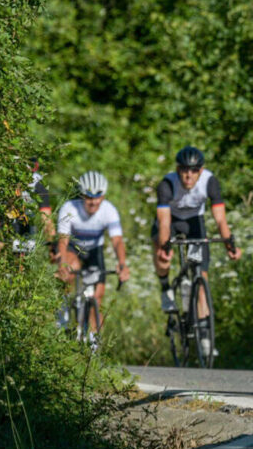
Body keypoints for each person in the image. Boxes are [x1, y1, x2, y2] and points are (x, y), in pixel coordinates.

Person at [152, 146, 242, 357]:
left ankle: (204, 336)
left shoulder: (210, 181)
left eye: (194, 170)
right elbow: (163, 222)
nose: (189, 175)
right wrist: (165, 246)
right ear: (178, 169)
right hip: (171, 221)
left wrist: (230, 245)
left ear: (201, 170)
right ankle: (165, 287)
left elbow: (220, 219)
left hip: (194, 222)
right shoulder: (167, 184)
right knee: (161, 252)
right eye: (184, 169)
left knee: (201, 276)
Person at [54, 170, 130, 346]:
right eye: (89, 197)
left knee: (97, 297)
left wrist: (122, 264)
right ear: (82, 195)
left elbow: (117, 241)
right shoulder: (69, 208)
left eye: (98, 197)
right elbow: (63, 240)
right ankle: (63, 314)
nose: (94, 202)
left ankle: (94, 344)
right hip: (73, 249)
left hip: (95, 251)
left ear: (103, 196)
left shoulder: (109, 210)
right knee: (70, 269)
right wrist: (62, 264)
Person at [0, 157, 55, 256]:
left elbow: (46, 216)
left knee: (21, 256)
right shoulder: (7, 178)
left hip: (26, 224)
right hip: (5, 218)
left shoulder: (38, 183)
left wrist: (52, 246)